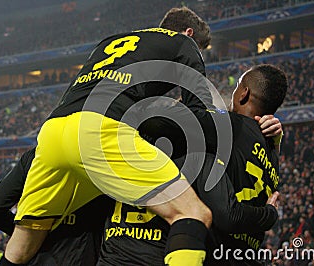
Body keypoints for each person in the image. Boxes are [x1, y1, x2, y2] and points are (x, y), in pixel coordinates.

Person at [0, 7, 216, 266]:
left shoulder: (111, 41)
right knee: (192, 213)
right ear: (190, 33)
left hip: (53, 132)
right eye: (202, 49)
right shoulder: (184, 42)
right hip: (100, 131)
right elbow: (198, 113)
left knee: (21, 247)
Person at [97, 64, 288, 265]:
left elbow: (157, 122)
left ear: (244, 93)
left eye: (237, 85)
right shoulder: (272, 152)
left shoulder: (226, 128)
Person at [0, 148, 114, 265]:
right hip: (84, 256)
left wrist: (30, 236)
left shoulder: (37, 155)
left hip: (36, 257)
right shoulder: (106, 158)